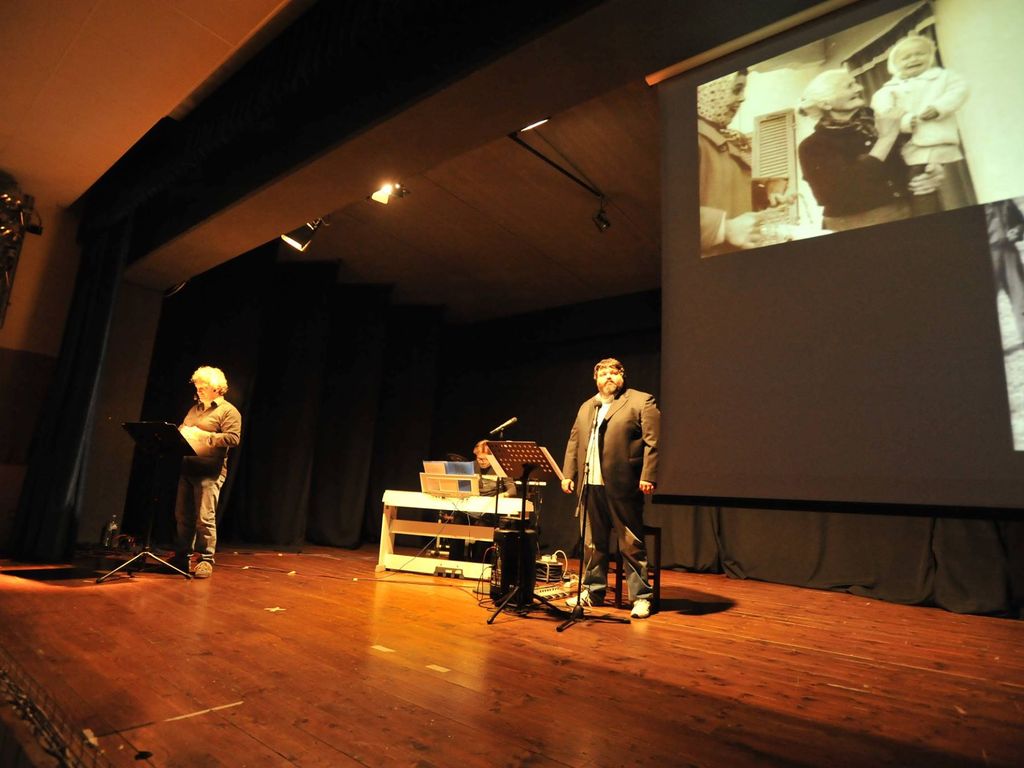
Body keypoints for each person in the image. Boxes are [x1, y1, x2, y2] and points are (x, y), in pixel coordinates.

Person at [561, 358, 659, 619]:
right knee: (593, 543)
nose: (608, 377)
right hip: (590, 483)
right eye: (603, 373)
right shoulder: (587, 406)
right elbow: (574, 441)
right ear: (595, 379)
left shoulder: (641, 401)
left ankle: (641, 597)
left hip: (623, 483)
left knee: (630, 542)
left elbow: (652, 443)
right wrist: (568, 474)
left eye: (614, 372)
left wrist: (648, 475)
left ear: (622, 376)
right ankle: (593, 591)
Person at [798, 69, 944, 233]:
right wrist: (886, 139)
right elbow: (837, 195)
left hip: (913, 209)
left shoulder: (883, 119)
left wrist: (933, 170)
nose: (859, 88)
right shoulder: (812, 146)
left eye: (855, 83)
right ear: (826, 104)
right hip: (858, 223)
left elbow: (917, 152)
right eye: (849, 86)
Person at [870, 35, 971, 215]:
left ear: (930, 57)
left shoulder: (943, 77)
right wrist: (906, 121)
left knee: (922, 179)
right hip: (909, 144)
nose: (914, 59)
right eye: (906, 57)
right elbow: (883, 109)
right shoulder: (890, 88)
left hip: (937, 140)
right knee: (917, 181)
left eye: (920, 54)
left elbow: (959, 90)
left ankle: (925, 213)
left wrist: (939, 107)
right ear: (895, 64)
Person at [698, 69, 791, 255]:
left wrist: (767, 193)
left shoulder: (727, 137)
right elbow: (672, 214)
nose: (742, 98)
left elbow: (722, 192)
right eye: (736, 89)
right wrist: (725, 228)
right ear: (711, 91)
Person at [173, 366, 242, 578]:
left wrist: (204, 436)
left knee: (204, 518)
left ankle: (205, 559)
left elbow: (233, 438)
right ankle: (182, 556)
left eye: (203, 387)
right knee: (183, 516)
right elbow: (183, 430)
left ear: (216, 388)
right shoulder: (194, 410)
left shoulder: (228, 411)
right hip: (188, 468)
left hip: (209, 472)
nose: (199, 390)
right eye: (197, 386)